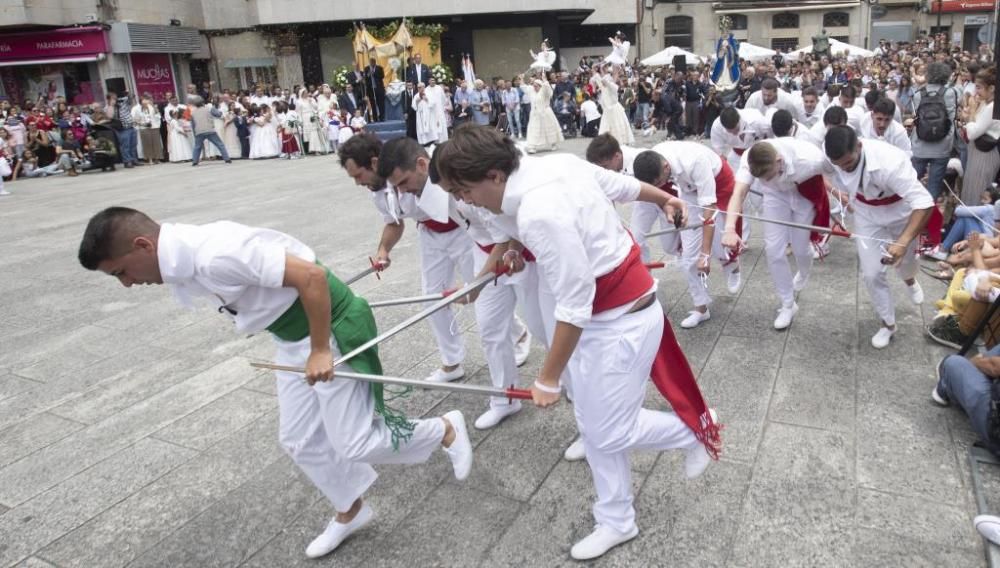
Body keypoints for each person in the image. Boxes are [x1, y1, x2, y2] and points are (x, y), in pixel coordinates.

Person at [76, 206, 474, 560]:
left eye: (120, 272)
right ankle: (350, 509)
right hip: (292, 337)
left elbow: (313, 276)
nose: (126, 283)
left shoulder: (215, 253)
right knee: (299, 439)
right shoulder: (182, 255)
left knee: (355, 442)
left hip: (330, 327)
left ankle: (444, 429)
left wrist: (320, 349)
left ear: (144, 245)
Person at [435, 126, 720, 561]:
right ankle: (617, 519)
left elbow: (574, 303)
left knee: (610, 430)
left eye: (463, 189)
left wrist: (547, 378)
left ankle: (693, 431)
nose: (462, 201)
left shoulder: (539, 210)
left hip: (618, 320)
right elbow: (622, 185)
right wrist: (662, 197)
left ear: (494, 174)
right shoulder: (551, 166)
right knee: (592, 423)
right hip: (607, 317)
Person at [378, 138, 539, 429]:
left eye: (403, 182)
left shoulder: (464, 182)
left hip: (520, 248)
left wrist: (474, 285)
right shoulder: (436, 189)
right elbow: (478, 234)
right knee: (490, 329)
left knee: (545, 326)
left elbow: (503, 237)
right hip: (484, 250)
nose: (403, 191)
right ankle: (505, 398)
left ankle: (572, 389)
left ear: (422, 165)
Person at [338, 133, 477, 383]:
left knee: (481, 289)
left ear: (373, 163)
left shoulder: (413, 169)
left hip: (461, 230)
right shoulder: (377, 191)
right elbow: (394, 223)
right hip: (430, 234)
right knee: (432, 297)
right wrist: (383, 251)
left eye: (358, 175)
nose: (358, 183)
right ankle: (452, 361)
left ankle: (517, 335)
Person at [824, 127, 931, 348]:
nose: (845, 168)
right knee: (871, 273)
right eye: (839, 165)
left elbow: (925, 202)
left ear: (859, 146)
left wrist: (902, 242)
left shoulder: (890, 162)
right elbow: (816, 173)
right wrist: (839, 196)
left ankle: (910, 280)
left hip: (900, 213)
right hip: (866, 214)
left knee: (907, 261)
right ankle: (888, 324)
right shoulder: (832, 158)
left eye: (849, 163)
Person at [633, 141, 744, 329]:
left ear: (666, 166)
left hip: (718, 180)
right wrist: (669, 208)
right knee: (688, 257)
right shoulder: (651, 161)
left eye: (661, 182)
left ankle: (731, 263)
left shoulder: (695, 162)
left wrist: (705, 254)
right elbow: (662, 194)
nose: (661, 186)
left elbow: (710, 211)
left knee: (723, 234)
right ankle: (701, 308)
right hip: (687, 190)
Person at [721, 138, 827, 330]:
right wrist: (729, 229)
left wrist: (847, 198)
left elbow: (837, 172)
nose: (764, 180)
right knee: (773, 250)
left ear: (778, 160)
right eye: (761, 179)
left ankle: (804, 271)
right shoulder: (748, 158)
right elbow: (738, 194)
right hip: (775, 196)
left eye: (767, 176)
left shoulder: (811, 159)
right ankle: (788, 304)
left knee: (800, 248)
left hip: (803, 192)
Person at [910, 62, 960, 200]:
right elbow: (952, 118)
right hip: (942, 145)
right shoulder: (950, 93)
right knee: (934, 185)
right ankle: (930, 213)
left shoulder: (918, 93)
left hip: (920, 143)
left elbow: (915, 118)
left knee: (912, 182)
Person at [962, 67, 1000, 206]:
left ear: (991, 88)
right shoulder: (985, 103)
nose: (975, 91)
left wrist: (971, 113)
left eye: (979, 87)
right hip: (977, 152)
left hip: (985, 154)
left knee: (978, 191)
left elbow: (972, 133)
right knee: (971, 187)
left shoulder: (992, 106)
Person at [591, 66, 634, 145]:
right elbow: (598, 79)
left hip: (614, 110)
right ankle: (606, 143)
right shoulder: (603, 87)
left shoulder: (613, 86)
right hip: (608, 110)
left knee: (617, 126)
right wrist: (595, 69)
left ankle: (620, 142)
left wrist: (615, 72)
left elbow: (606, 81)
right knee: (606, 127)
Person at [189, 96, 232, 166]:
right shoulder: (209, 108)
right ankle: (227, 159)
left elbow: (193, 124)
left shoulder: (193, 113)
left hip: (199, 131)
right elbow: (218, 114)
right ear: (203, 102)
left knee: (197, 146)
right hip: (209, 129)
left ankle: (195, 161)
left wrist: (195, 133)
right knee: (219, 144)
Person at [524, 78, 562, 154]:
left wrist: (545, 80)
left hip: (546, 113)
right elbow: (524, 87)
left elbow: (548, 91)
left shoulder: (544, 91)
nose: (534, 87)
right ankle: (532, 147)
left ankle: (553, 144)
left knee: (549, 129)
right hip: (535, 115)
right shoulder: (532, 92)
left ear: (540, 86)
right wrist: (522, 79)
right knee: (534, 130)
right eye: (533, 86)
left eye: (536, 86)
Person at [133, 96, 163, 164]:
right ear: (141, 103)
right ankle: (150, 159)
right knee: (147, 144)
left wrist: (153, 106)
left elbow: (158, 115)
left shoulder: (151, 107)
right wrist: (143, 124)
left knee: (156, 143)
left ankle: (157, 158)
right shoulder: (138, 110)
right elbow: (135, 120)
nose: (146, 104)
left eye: (147, 102)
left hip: (154, 126)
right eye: (144, 103)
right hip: (144, 128)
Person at [412, 83, 442, 147]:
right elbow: (414, 107)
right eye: (418, 87)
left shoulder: (429, 94)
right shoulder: (416, 96)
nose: (419, 89)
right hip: (420, 115)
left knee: (430, 127)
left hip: (429, 114)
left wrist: (427, 100)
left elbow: (433, 103)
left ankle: (432, 142)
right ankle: (424, 142)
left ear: (424, 87)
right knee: (421, 128)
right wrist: (417, 102)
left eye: (421, 87)